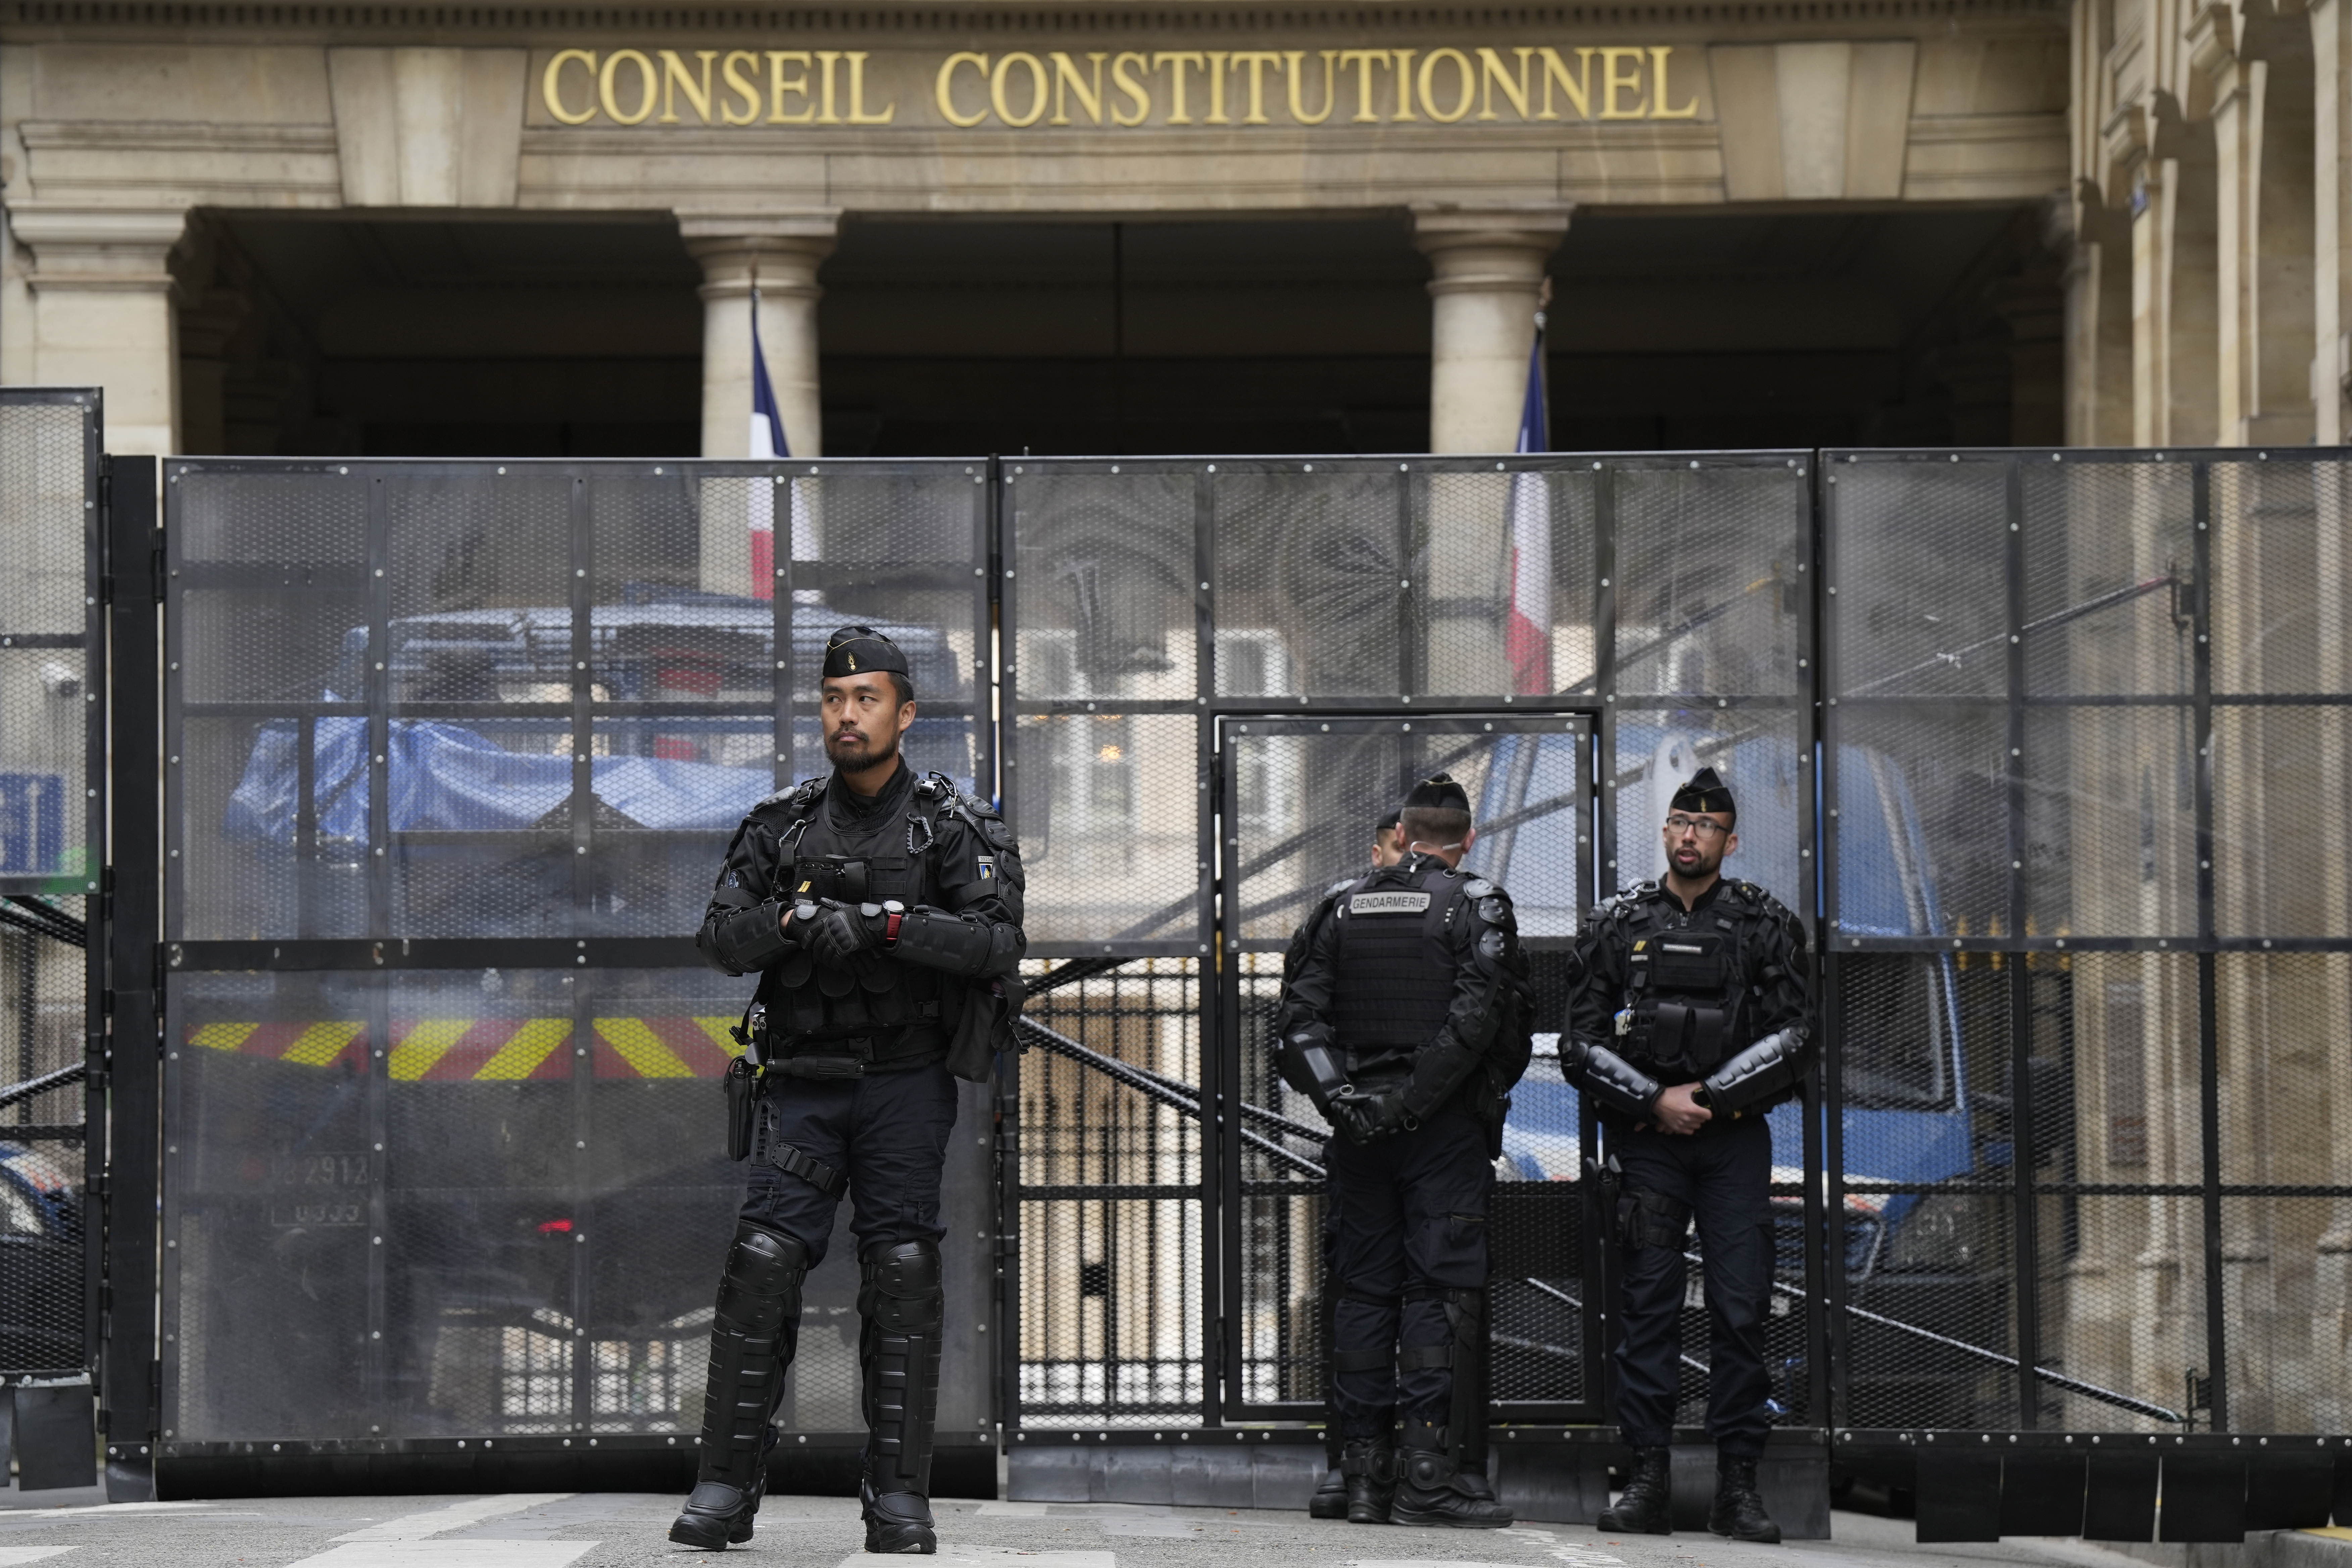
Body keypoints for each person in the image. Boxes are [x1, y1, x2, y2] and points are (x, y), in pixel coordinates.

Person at [671, 626, 1027, 1554]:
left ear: (905, 714)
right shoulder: (784, 824)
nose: (847, 715)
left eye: (866, 699)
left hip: (905, 1084)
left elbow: (996, 943)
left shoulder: (948, 824)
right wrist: (793, 919)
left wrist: (886, 926)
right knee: (761, 1266)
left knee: (901, 1276)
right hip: (804, 1085)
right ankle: (722, 1489)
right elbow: (718, 936)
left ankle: (899, 1499)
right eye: (834, 700)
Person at [1560, 766, 1812, 1544]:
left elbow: (1798, 1035)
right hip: (1649, 1145)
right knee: (1649, 1310)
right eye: (1679, 821)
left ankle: (1739, 1486)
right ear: (1664, 831)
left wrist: (1714, 1096)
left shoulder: (1767, 925)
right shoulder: (1618, 921)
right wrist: (1652, 1100)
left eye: (1705, 825)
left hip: (1734, 1140)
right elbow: (1578, 1040)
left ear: (1730, 840)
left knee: (1741, 1310)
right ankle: (1648, 1480)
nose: (1690, 834)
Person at [1276, 773, 1535, 1529]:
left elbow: (1296, 1020)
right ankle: (1427, 1475)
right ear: (1466, 841)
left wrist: (1347, 1104)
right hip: (1440, 1130)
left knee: (1362, 1293)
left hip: (1359, 1134)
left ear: (1403, 835)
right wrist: (1413, 1102)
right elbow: (1481, 1019)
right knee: (1436, 1293)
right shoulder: (1476, 904)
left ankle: (1362, 1476)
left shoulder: (1339, 907)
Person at [1310, 804, 1411, 1521]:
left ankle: (1433, 1463)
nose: (1410, 862)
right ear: (1376, 850)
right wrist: (1345, 1100)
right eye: (1399, 848)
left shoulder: (1459, 917)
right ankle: (1350, 1462)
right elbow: (1300, 1020)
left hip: (1430, 1136)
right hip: (1364, 1136)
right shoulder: (1340, 916)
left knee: (1438, 1302)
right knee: (1356, 1300)